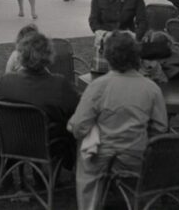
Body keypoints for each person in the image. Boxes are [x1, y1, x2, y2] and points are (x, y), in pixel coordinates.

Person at [68, 31, 168, 210]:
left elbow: (79, 127)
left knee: (84, 155)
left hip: (102, 155)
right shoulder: (151, 88)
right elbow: (161, 128)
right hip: (136, 155)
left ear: (108, 57)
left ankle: (89, 205)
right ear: (136, 55)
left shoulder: (98, 86)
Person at [0, 32, 80, 181]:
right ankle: (74, 171)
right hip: (48, 145)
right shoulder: (58, 84)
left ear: (21, 55)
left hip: (11, 143)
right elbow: (78, 108)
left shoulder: (5, 82)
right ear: (49, 56)